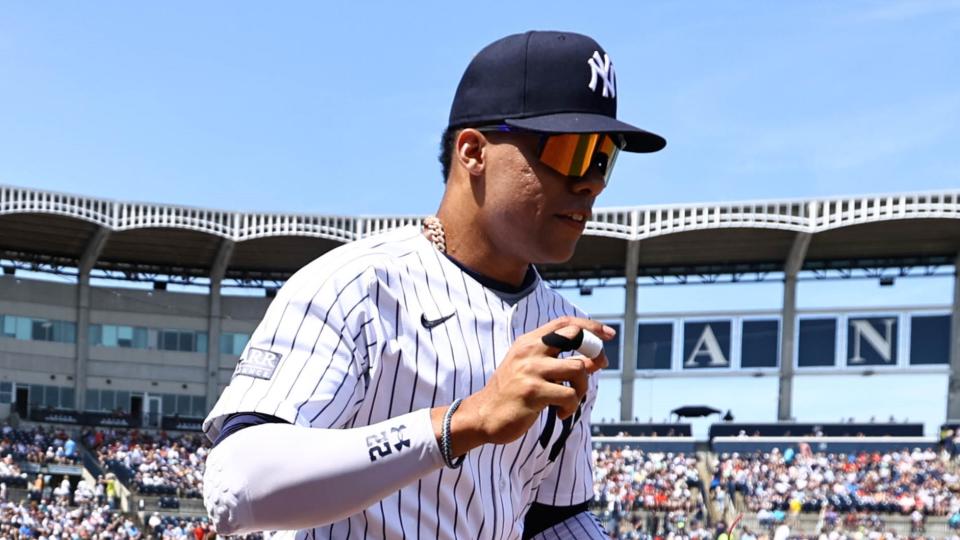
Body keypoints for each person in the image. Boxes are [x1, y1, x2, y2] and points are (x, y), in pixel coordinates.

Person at [201, 30, 665, 539]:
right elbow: (236, 487)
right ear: (473, 151)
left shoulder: (563, 333)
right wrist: (463, 422)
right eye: (573, 151)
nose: (592, 181)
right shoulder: (357, 286)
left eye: (605, 157)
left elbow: (554, 519)